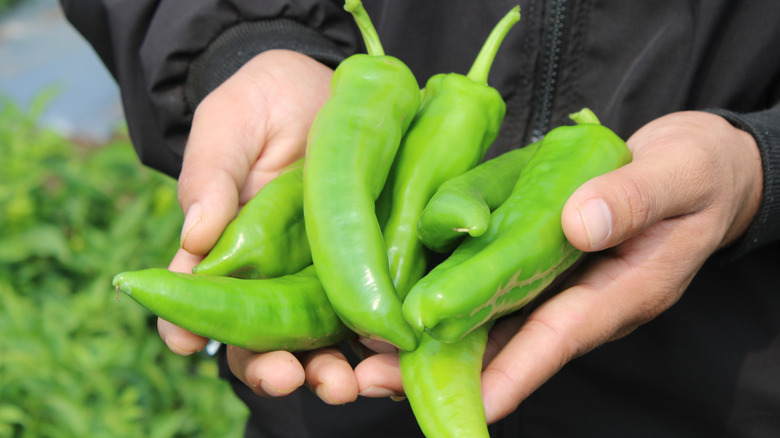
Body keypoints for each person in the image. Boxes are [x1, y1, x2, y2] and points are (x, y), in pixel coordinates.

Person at [61, 0, 780, 436]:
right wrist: (244, 41)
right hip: (330, 419)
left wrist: (761, 165)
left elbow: (442, 222)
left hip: (713, 393)